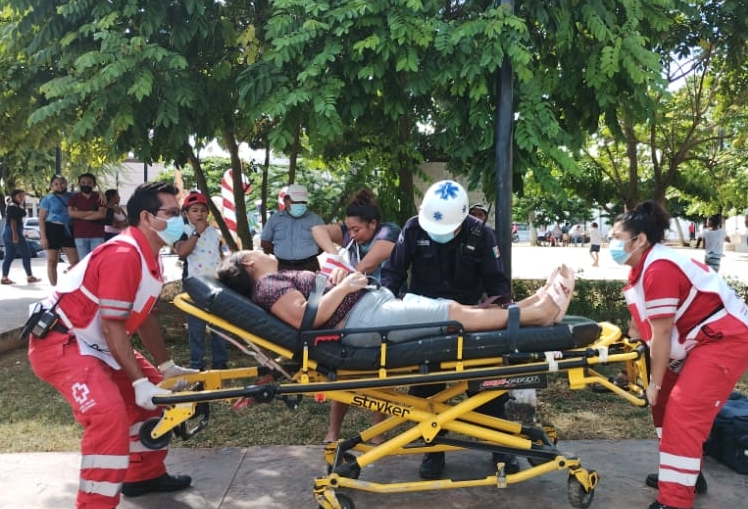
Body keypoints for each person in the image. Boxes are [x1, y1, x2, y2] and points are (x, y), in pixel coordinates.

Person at [27, 182, 196, 509]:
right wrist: (137, 382)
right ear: (148, 218)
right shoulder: (124, 254)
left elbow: (142, 317)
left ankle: (143, 474)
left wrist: (163, 369)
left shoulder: (148, 255)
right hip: (63, 342)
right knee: (108, 417)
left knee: (161, 398)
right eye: (172, 213)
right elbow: (112, 325)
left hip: (95, 344)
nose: (180, 220)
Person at [382, 179, 575, 479]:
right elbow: (392, 274)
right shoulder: (414, 228)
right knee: (426, 392)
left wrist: (499, 318)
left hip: (470, 318)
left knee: (489, 389)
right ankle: (434, 452)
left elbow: (497, 284)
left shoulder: (481, 235)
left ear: (461, 221)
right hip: (424, 319)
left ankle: (502, 447)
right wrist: (387, 308)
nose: (437, 235)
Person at [613, 200, 748, 509]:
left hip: (725, 339)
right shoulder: (643, 267)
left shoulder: (659, 269)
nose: (613, 244)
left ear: (640, 240)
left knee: (682, 407)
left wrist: (655, 383)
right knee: (664, 405)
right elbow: (639, 327)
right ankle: (687, 473)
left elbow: (661, 335)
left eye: (618, 237)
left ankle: (676, 501)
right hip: (702, 339)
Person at [216, 250, 569, 341]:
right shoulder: (266, 285)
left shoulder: (272, 282)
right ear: (248, 262)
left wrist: (338, 278)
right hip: (363, 323)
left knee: (455, 309)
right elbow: (308, 319)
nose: (261, 251)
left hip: (370, 308)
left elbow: (312, 303)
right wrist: (343, 286)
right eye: (254, 251)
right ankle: (538, 315)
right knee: (454, 316)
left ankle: (534, 305)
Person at [311, 188, 402, 442]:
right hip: (353, 310)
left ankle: (377, 433)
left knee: (381, 373)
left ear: (373, 224)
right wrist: (332, 253)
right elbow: (318, 230)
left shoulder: (388, 231)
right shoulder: (352, 233)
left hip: (382, 308)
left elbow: (367, 265)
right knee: (344, 373)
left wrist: (345, 273)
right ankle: (333, 432)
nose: (351, 235)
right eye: (348, 229)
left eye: (357, 230)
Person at [173, 192, 229, 371]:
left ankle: (220, 362)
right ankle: (197, 363)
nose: (199, 214)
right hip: (194, 285)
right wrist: (196, 232)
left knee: (219, 326)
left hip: (215, 284)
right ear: (186, 213)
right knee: (196, 327)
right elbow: (182, 252)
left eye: (203, 210)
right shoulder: (184, 232)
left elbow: (218, 255)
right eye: (194, 210)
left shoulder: (213, 232)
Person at [259, 184, 325, 272]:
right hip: (283, 267)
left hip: (310, 266)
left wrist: (310, 255)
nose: (300, 205)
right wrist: (281, 253)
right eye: (295, 202)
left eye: (303, 202)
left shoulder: (315, 220)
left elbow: (325, 244)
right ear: (285, 201)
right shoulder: (275, 219)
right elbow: (264, 243)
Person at [38, 175, 80, 286]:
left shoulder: (73, 196)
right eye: (56, 184)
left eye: (62, 183)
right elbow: (41, 218)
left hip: (69, 229)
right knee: (52, 261)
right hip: (52, 229)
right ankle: (54, 288)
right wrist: (43, 237)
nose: (59, 186)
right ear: (52, 186)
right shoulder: (47, 199)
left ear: (66, 183)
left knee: (75, 262)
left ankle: (73, 287)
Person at [1, 189, 39, 285]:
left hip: (6, 232)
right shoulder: (13, 207)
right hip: (13, 232)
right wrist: (15, 235)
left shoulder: (12, 206)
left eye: (23, 196)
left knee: (9, 256)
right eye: (20, 196)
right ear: (14, 197)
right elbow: (13, 222)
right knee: (26, 253)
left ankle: (4, 277)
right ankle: (30, 276)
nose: (22, 198)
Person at [68, 172, 107, 259]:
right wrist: (92, 212)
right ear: (79, 184)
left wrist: (80, 214)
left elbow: (101, 214)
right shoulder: (73, 198)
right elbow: (71, 213)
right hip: (80, 235)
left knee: (97, 261)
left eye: (89, 183)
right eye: (83, 183)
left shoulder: (100, 197)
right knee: (84, 262)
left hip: (97, 235)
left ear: (94, 184)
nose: (86, 185)